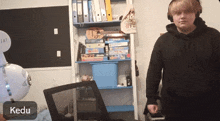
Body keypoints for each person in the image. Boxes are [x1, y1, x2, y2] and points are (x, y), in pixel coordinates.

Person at [144, 0, 220, 121]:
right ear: (171, 16)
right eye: (177, 13)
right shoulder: (163, 42)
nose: (182, 16)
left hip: (210, 105)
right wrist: (151, 98)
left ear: (196, 13)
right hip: (174, 107)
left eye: (188, 11)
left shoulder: (214, 37)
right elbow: (154, 71)